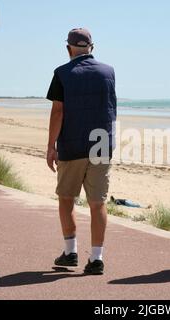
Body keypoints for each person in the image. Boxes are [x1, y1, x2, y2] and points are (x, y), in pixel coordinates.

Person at [46, 28, 117, 275]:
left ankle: (71, 252)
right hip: (101, 144)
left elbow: (58, 112)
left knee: (66, 198)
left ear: (68, 49)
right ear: (92, 48)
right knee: (98, 203)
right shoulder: (108, 72)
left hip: (73, 145)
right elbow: (111, 108)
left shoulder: (62, 73)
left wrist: (50, 146)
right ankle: (96, 258)